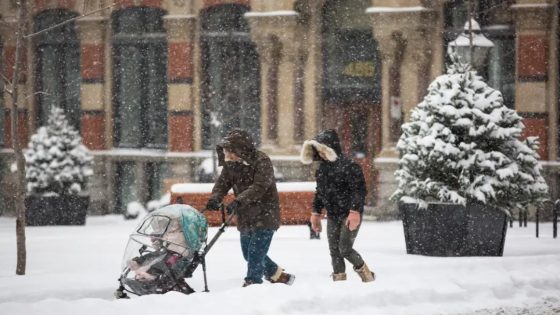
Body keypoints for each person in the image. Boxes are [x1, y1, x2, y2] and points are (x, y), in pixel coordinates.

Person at [205, 128, 295, 287]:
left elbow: (260, 186)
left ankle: (253, 282)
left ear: (240, 149)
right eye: (226, 151)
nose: (228, 155)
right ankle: (277, 275)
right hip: (246, 215)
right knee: (248, 253)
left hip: (265, 214)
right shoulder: (231, 165)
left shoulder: (262, 161)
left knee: (255, 253)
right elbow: (222, 184)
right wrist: (215, 198)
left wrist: (239, 200)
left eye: (230, 151)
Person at [301, 129, 375, 282]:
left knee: (345, 249)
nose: (320, 154)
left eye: (323, 150)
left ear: (331, 148)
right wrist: (316, 213)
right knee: (334, 250)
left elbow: (359, 191)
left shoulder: (350, 166)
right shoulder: (322, 169)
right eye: (318, 151)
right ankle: (339, 280)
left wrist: (355, 212)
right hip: (333, 215)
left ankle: (368, 277)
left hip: (349, 214)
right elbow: (319, 193)